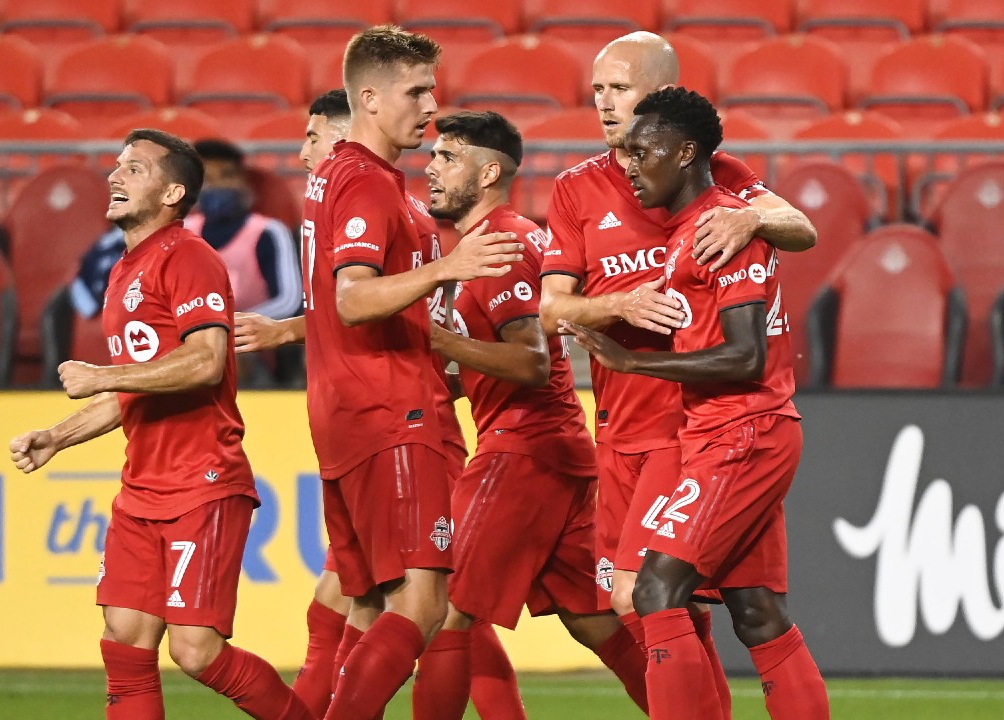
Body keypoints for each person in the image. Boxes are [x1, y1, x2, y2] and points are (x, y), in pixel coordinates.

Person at [539, 31, 818, 718]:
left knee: (649, 594)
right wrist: (619, 306)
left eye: (620, 88)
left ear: (660, 94)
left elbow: (800, 230)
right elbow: (549, 310)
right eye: (597, 89)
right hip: (635, 424)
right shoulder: (579, 188)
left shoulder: (719, 187)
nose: (604, 104)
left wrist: (749, 215)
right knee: (750, 609)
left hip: (704, 428)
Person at [234, 89, 526, 720]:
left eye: (314, 136)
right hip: (389, 415)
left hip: (406, 420)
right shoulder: (370, 197)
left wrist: (290, 331)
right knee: (417, 603)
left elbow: (378, 310)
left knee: (397, 601)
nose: (306, 151)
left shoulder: (376, 200)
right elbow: (359, 305)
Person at [8, 129, 311, 720]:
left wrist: (103, 374)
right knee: (124, 639)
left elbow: (206, 361)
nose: (116, 176)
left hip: (201, 480)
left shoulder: (190, 257)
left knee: (196, 651)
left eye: (135, 169)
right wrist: (58, 436)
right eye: (117, 165)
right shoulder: (124, 271)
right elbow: (136, 389)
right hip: (142, 486)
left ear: (173, 191)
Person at [411, 110, 651, 719]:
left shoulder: (502, 244)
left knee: (442, 607)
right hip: (558, 451)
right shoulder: (484, 244)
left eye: (447, 156)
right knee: (592, 619)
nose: (430, 167)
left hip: (523, 448)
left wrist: (436, 343)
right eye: (432, 155)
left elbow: (531, 361)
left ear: (489, 171)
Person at [69, 138, 303, 384]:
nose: (220, 185)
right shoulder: (179, 233)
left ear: (243, 181)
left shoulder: (268, 231)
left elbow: (289, 300)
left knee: (222, 355)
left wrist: (223, 326)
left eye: (227, 175)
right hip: (183, 342)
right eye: (209, 179)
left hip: (251, 344)